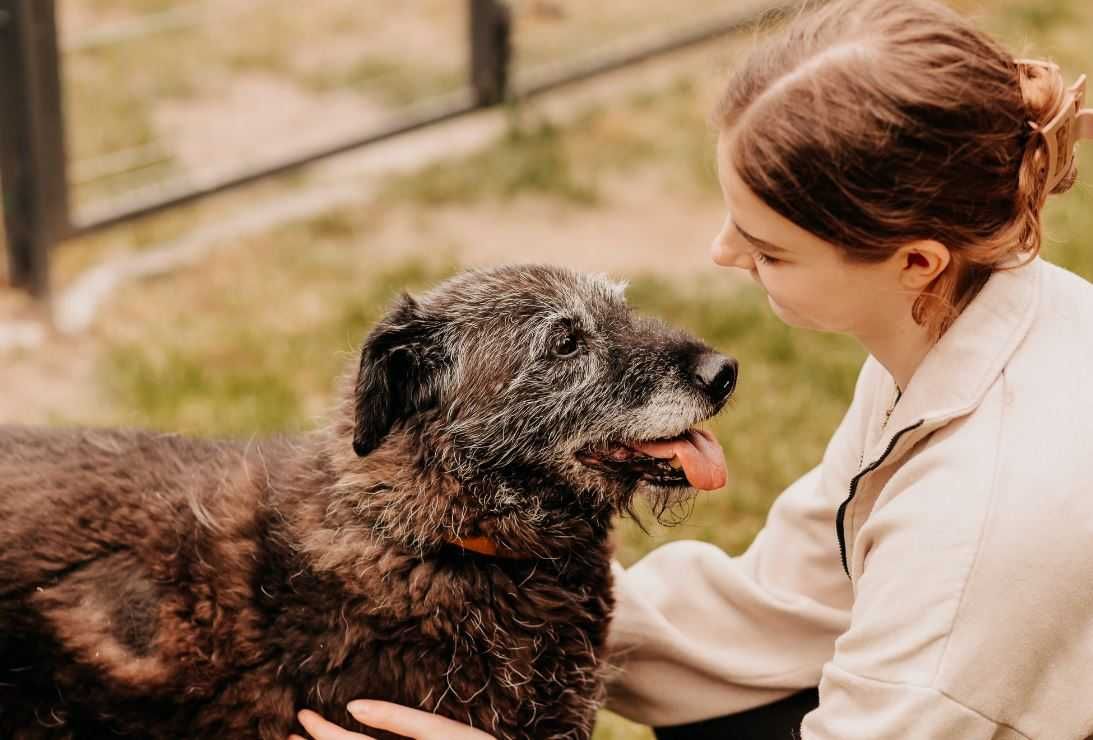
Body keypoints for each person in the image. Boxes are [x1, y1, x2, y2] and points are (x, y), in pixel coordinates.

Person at [290, 0, 1093, 737]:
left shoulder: (978, 521)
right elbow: (795, 600)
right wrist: (488, 598)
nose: (721, 253)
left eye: (768, 248)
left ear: (915, 259)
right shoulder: (958, 330)